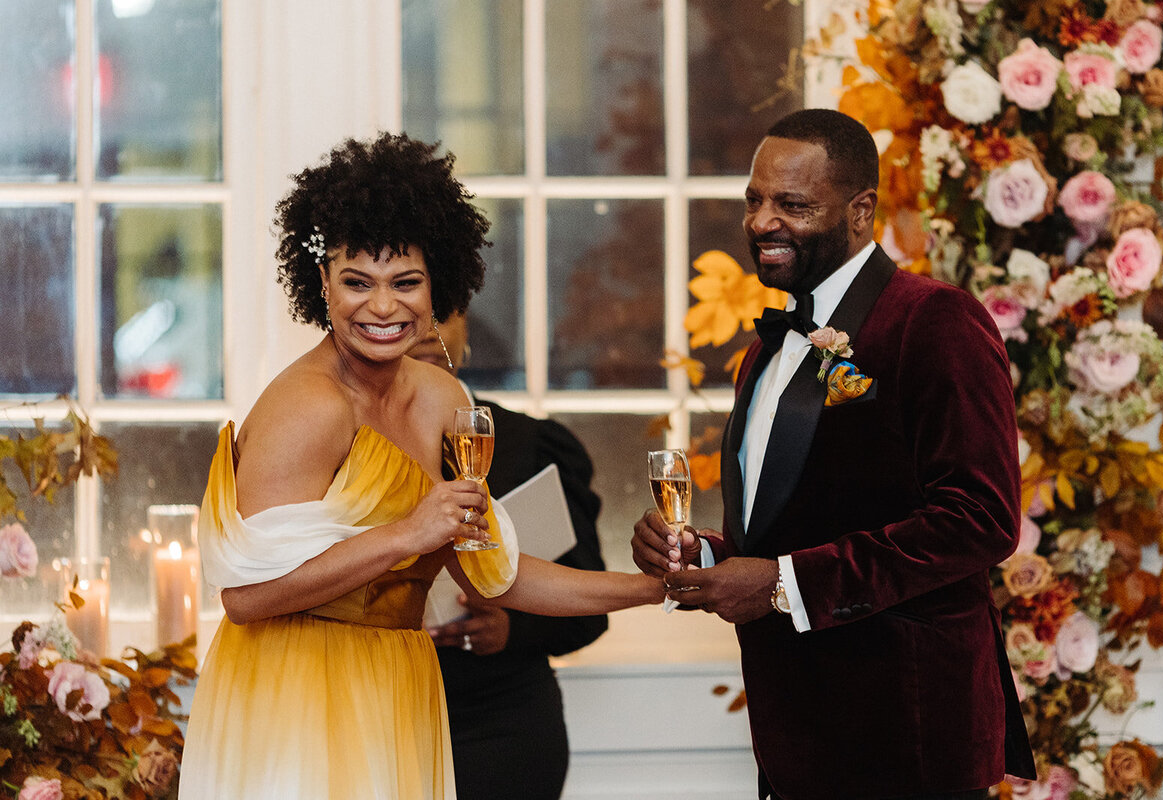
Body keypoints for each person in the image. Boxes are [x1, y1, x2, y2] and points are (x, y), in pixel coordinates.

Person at [178, 132, 663, 800]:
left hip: (401, 687)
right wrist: (406, 535)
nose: (382, 308)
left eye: (405, 283)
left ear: (441, 286)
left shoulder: (443, 400)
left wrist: (656, 588)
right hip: (295, 695)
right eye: (357, 283)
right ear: (322, 282)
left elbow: (496, 572)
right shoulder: (308, 408)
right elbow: (247, 597)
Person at [631, 109, 1036, 800]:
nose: (762, 221)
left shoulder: (935, 321)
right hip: (795, 740)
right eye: (754, 200)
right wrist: (709, 556)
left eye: (793, 204)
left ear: (860, 211)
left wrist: (784, 583)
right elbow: (798, 524)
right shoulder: (766, 347)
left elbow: (979, 518)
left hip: (905, 744)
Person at [411, 312, 608, 800]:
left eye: (443, 312)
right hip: (384, 715)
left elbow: (591, 612)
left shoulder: (531, 444)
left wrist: (512, 628)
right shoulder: (349, 447)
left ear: (467, 331)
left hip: (504, 725)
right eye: (408, 311)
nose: (425, 330)